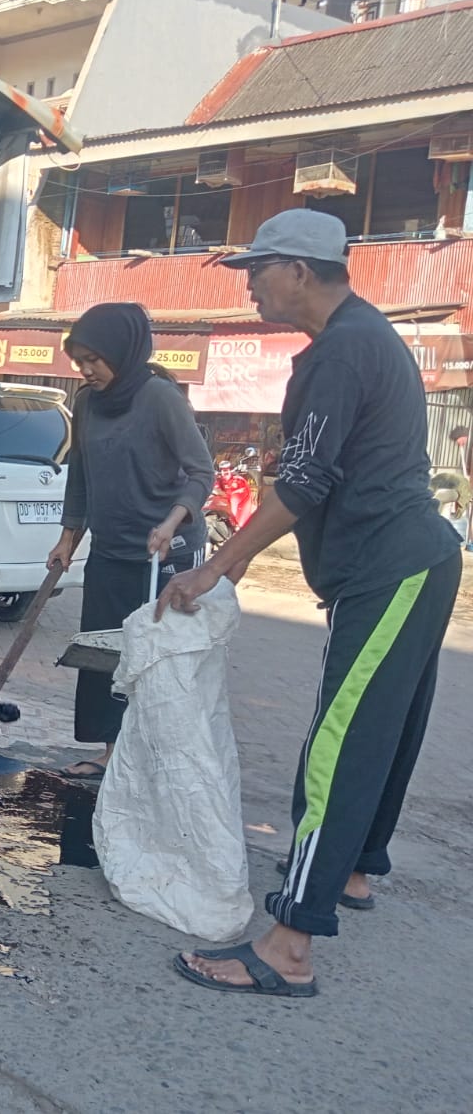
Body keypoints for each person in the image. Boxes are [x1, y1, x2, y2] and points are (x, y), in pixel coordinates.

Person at [161, 209, 462, 998]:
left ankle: (290, 944)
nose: (252, 284)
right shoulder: (365, 339)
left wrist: (214, 569)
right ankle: (355, 870)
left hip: (385, 566)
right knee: (384, 732)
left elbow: (300, 485)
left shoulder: (338, 353)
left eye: (259, 269)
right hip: (416, 560)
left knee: (340, 742)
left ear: (299, 270)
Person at [47, 302, 214, 780]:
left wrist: (172, 520)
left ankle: (153, 757)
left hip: (164, 554)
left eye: (94, 360)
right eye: (80, 362)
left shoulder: (160, 398)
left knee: (153, 658)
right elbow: (79, 475)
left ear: (122, 351)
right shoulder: (85, 402)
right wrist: (67, 538)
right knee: (104, 652)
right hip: (110, 548)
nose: (87, 370)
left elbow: (202, 471)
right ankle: (110, 752)